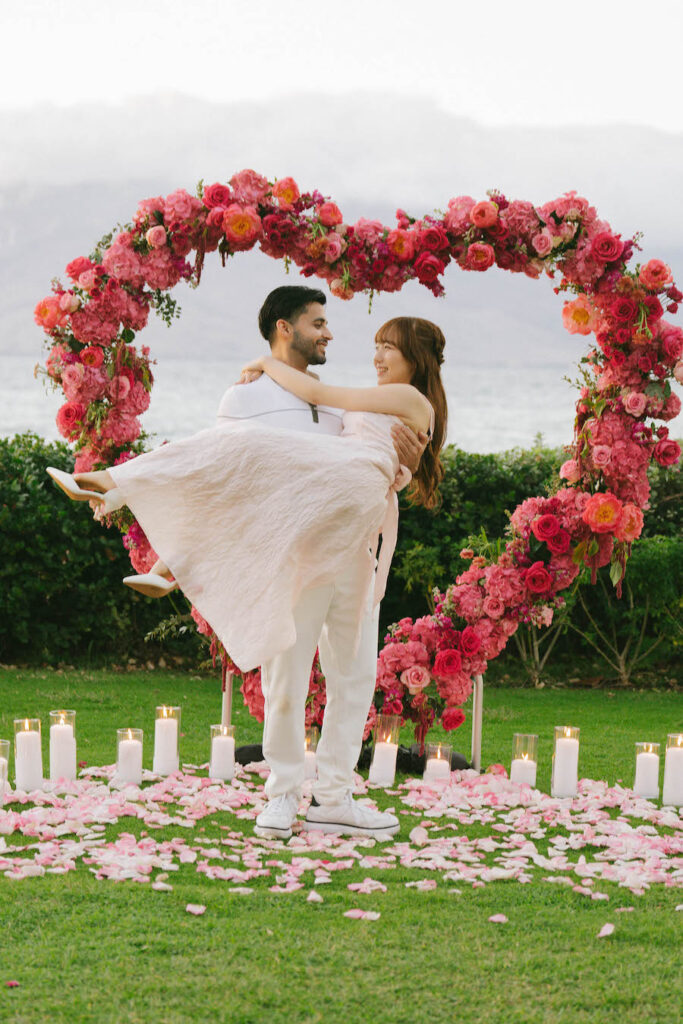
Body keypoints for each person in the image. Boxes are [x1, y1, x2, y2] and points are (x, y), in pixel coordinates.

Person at [47, 286, 447, 840]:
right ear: (287, 327)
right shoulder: (247, 400)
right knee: (286, 675)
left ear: (413, 359)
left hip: (356, 542)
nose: (344, 340)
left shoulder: (347, 399)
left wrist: (400, 465)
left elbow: (349, 422)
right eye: (319, 323)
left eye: (387, 347)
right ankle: (283, 793)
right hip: (300, 550)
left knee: (353, 678)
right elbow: (226, 487)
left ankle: (333, 795)